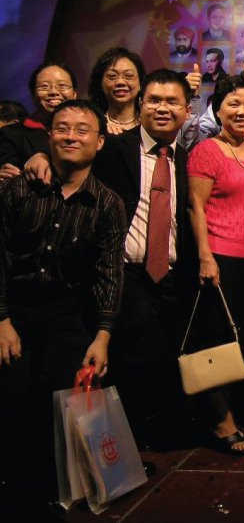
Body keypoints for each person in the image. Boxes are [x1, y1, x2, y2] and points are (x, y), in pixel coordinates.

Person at [23, 69, 199, 450]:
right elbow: (69, 153)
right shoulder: (114, 148)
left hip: (170, 274)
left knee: (164, 356)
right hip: (122, 272)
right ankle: (124, 445)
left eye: (172, 102)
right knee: (139, 353)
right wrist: (39, 154)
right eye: (153, 101)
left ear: (187, 110)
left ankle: (141, 442)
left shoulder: (186, 158)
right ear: (141, 105)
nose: (162, 109)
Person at [0, 99, 126, 502]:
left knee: (59, 397)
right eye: (62, 128)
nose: (71, 135)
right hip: (12, 307)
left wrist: (103, 335)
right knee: (12, 397)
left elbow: (110, 272)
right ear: (49, 135)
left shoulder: (107, 204)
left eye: (82, 129)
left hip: (65, 312)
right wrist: (1, 319)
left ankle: (48, 493)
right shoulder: (19, 188)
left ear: (100, 141)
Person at [188, 74, 244, 455]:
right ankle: (221, 422)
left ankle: (236, 410)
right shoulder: (207, 150)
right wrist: (205, 257)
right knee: (217, 342)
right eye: (233, 104)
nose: (242, 111)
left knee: (243, 341)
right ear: (217, 109)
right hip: (220, 258)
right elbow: (195, 207)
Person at [0, 62, 77, 181]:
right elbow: (10, 179)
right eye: (44, 86)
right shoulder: (11, 134)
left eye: (62, 86)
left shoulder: (88, 133)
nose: (54, 92)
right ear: (33, 96)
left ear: (75, 94)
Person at [89, 46, 146, 134]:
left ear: (140, 84)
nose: (120, 82)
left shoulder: (149, 126)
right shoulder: (92, 124)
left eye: (129, 76)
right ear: (100, 83)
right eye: (112, 76)